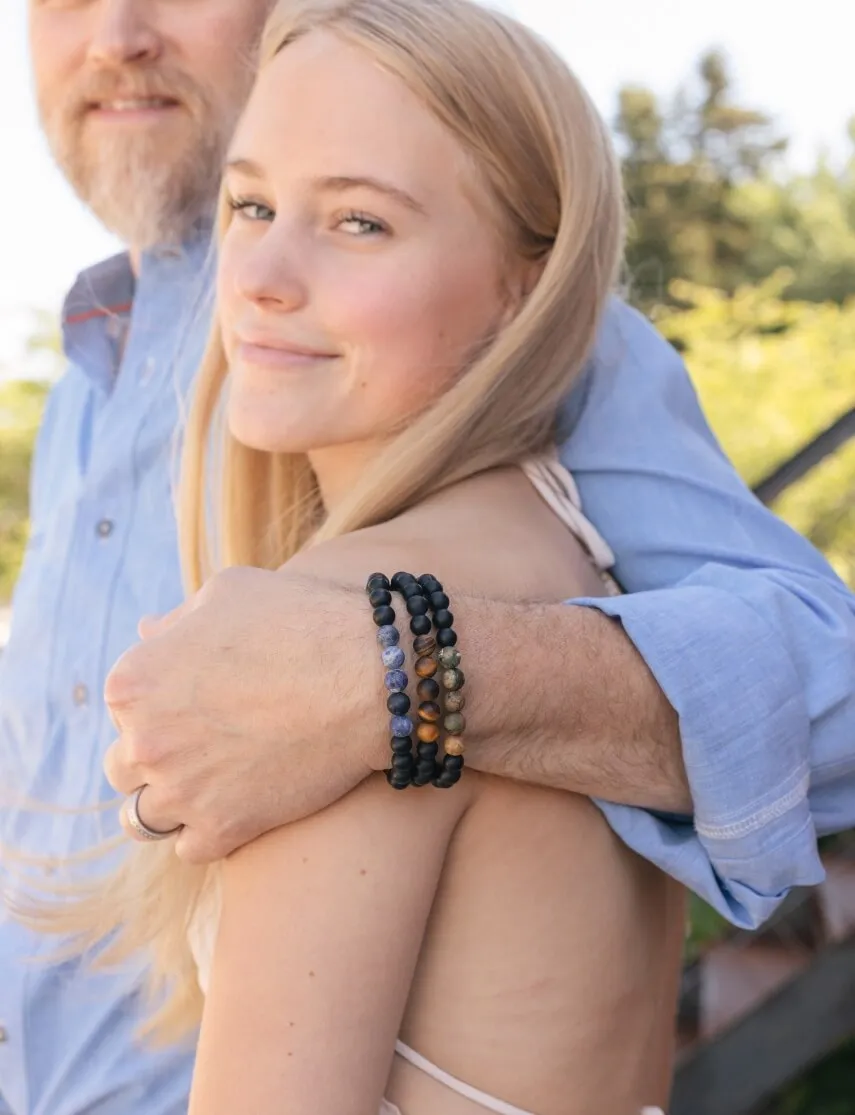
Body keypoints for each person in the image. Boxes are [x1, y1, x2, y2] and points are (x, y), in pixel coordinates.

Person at [0, 0, 852, 1111]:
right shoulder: (84, 391)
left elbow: (827, 681)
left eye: (357, 221)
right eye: (249, 205)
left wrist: (398, 673)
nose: (117, 33)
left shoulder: (354, 599)